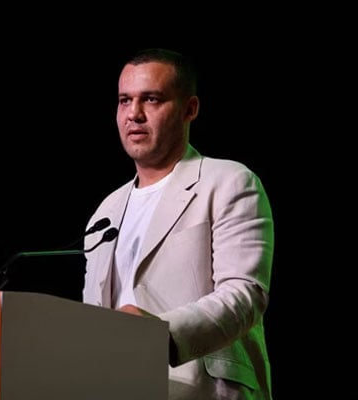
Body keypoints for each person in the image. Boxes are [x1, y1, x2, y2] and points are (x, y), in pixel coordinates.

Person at [82, 48, 275, 400]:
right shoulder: (105, 211)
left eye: (151, 99)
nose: (134, 114)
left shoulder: (229, 181)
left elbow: (245, 295)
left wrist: (160, 336)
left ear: (190, 109)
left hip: (201, 390)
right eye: (125, 101)